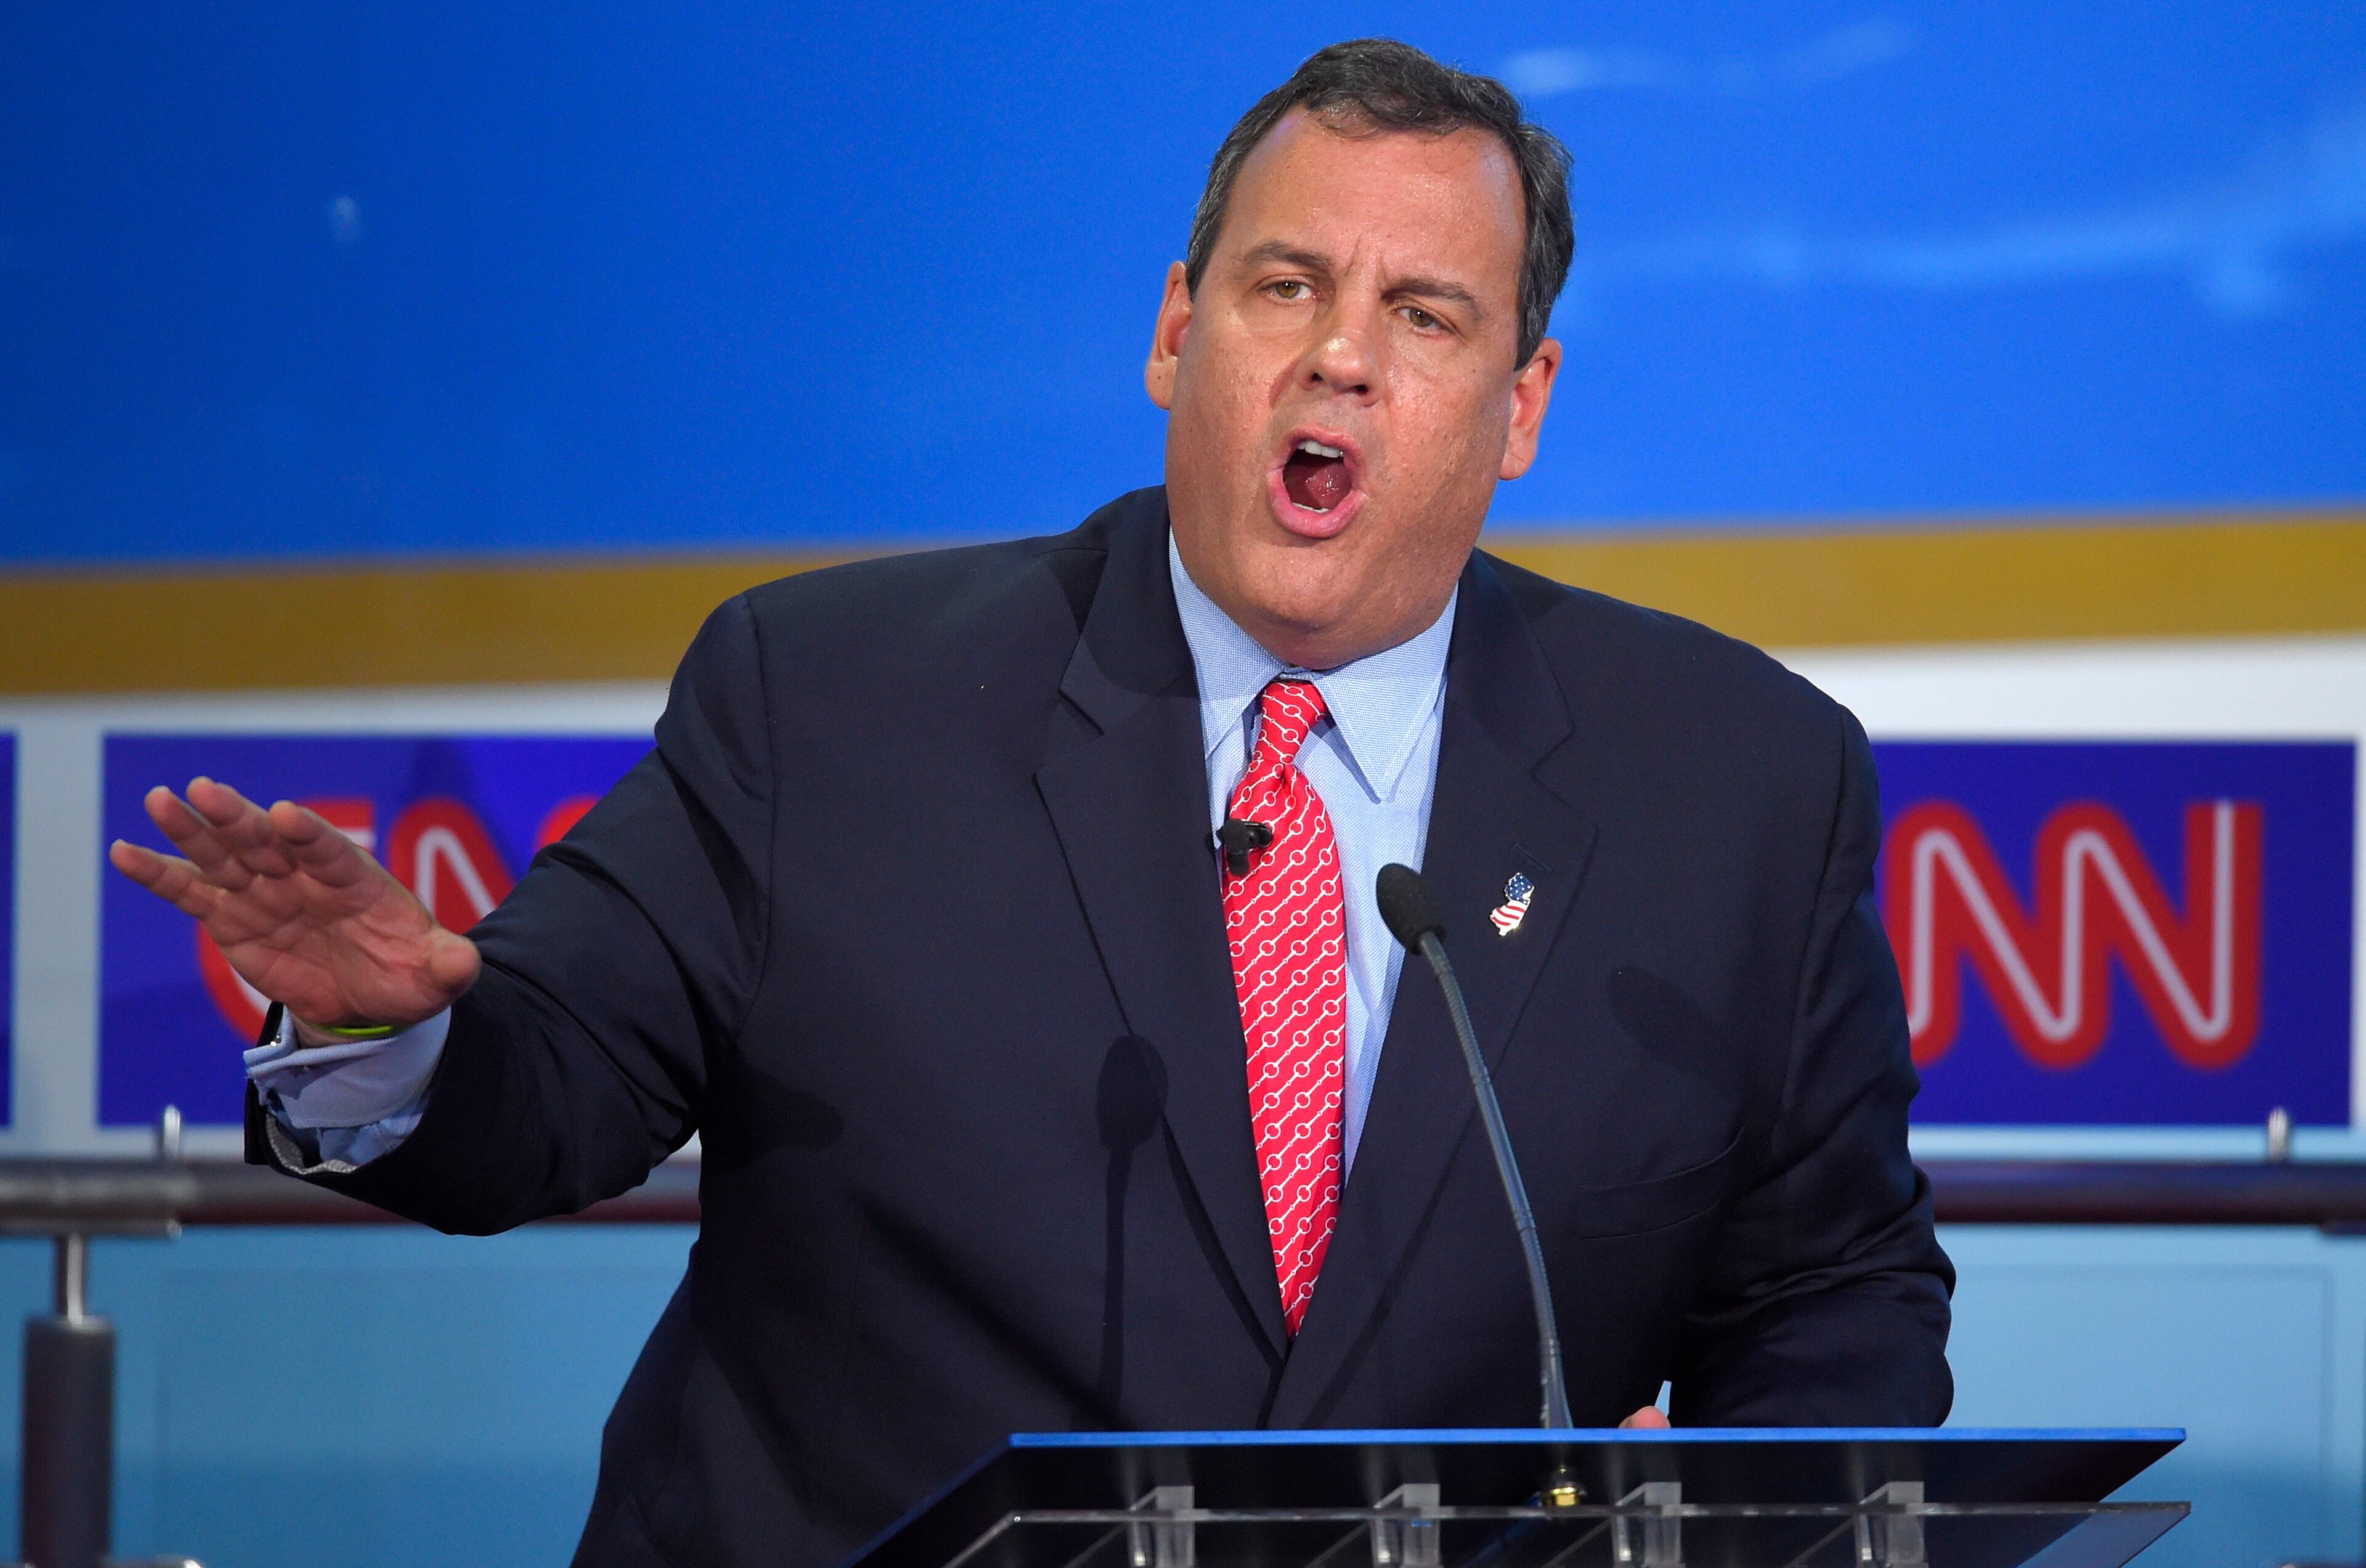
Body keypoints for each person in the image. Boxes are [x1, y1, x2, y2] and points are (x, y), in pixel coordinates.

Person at [111, 38, 1952, 1568]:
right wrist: (388, 1029)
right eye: (1285, 285)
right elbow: (545, 1087)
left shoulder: (1734, 782)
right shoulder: (830, 700)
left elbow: (1839, 1294)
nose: (1339, 355)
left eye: (1426, 313)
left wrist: (1737, 1527)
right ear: (1178, 335)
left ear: (1521, 404)